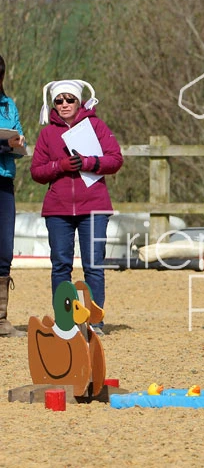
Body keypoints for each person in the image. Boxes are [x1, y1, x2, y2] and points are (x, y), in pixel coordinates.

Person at [30, 80, 123, 335]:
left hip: (94, 208)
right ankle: (65, 322)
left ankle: (94, 322)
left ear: (79, 101)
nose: (64, 104)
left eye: (69, 99)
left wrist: (88, 163)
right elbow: (36, 172)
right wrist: (59, 166)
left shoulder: (97, 126)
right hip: (58, 210)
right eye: (59, 101)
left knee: (94, 265)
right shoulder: (47, 134)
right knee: (61, 265)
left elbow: (115, 159)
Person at [0, 55, 27, 337]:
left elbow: (18, 138)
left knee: (4, 250)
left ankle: (1, 319)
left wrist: (18, 144)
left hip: (4, 180)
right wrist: (4, 145)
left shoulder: (9, 105)